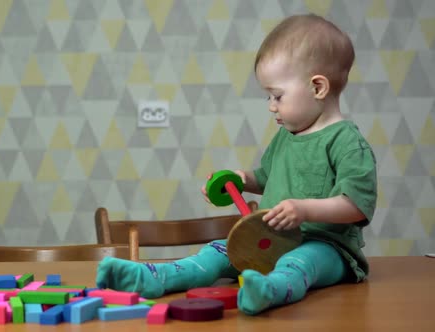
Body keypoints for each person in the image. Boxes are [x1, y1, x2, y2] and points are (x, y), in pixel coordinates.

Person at [95, 13, 377, 315]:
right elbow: (266, 178)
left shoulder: (347, 142)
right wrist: (242, 179)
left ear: (318, 87)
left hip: (326, 248)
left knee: (299, 263)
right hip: (271, 240)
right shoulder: (287, 136)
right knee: (218, 251)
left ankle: (269, 291)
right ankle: (154, 277)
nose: (271, 106)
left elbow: (357, 205)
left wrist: (305, 210)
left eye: (277, 96)